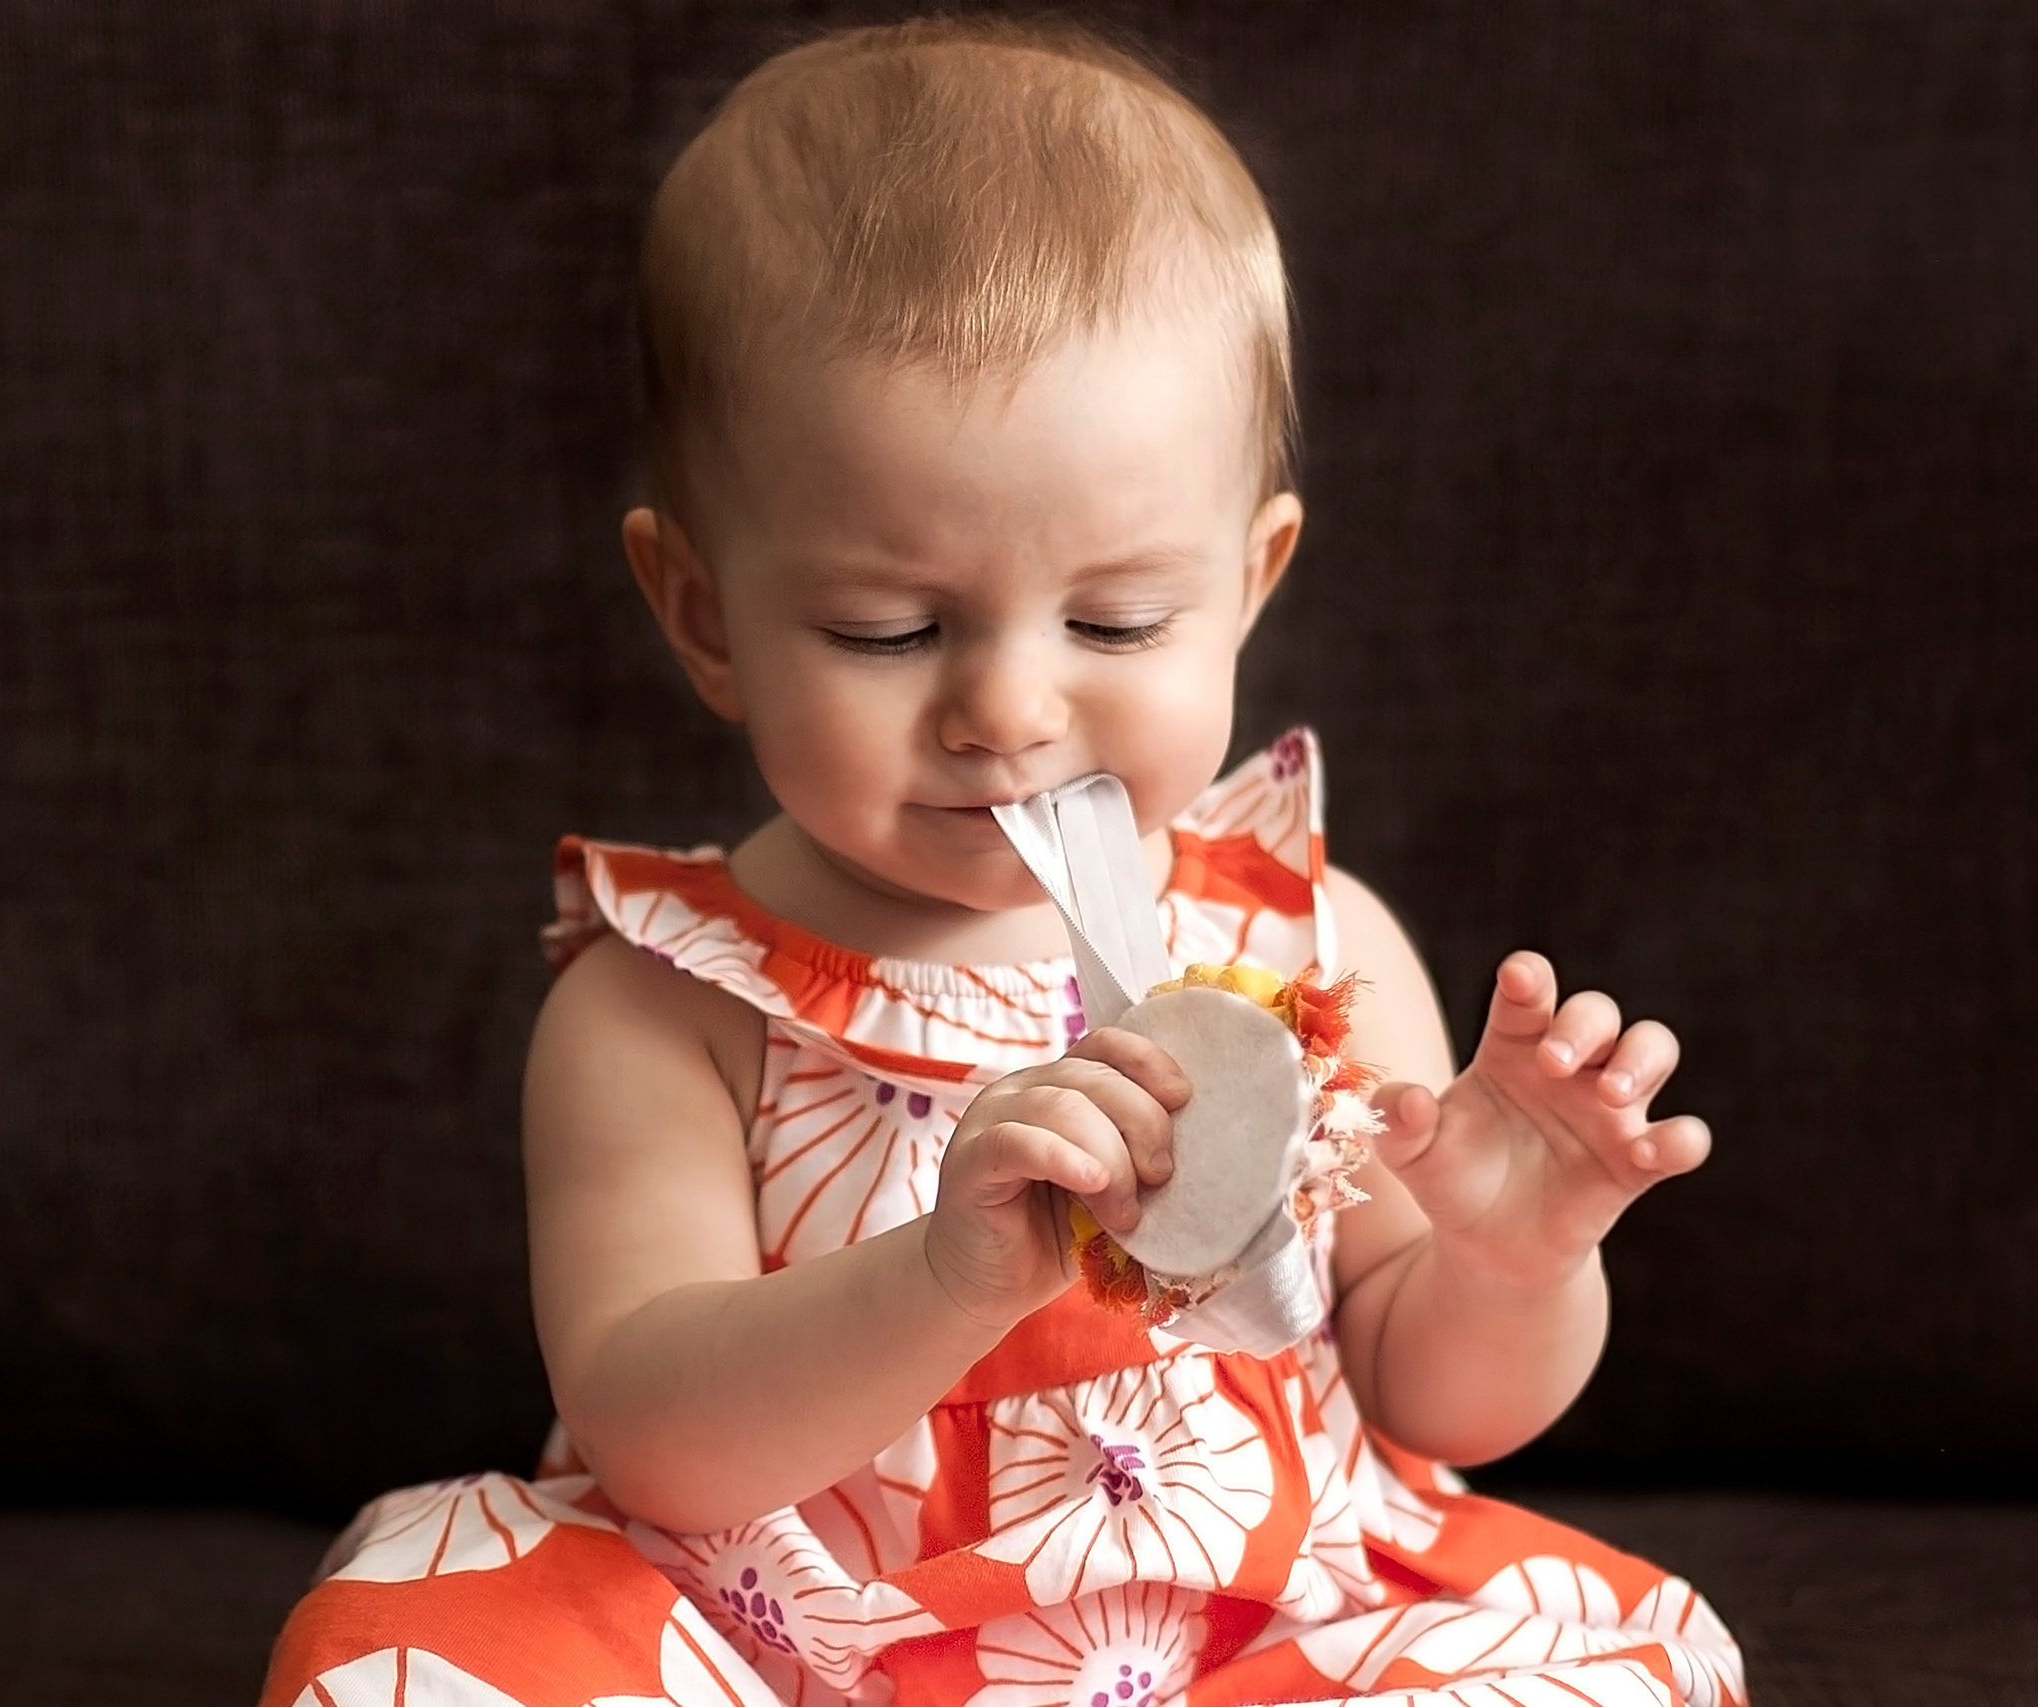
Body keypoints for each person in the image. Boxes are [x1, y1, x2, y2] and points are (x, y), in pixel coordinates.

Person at [264, 19, 1744, 1707]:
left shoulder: (1308, 937)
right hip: (781, 1643)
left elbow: (1439, 1407)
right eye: (889, 630)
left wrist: (1513, 1259)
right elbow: (657, 1440)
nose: (1009, 711)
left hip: (1256, 1636)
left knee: (1619, 1665)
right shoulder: (662, 1007)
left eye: (1117, 619)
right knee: (404, 1646)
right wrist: (947, 1273)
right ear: (703, 617)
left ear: (1251, 583)